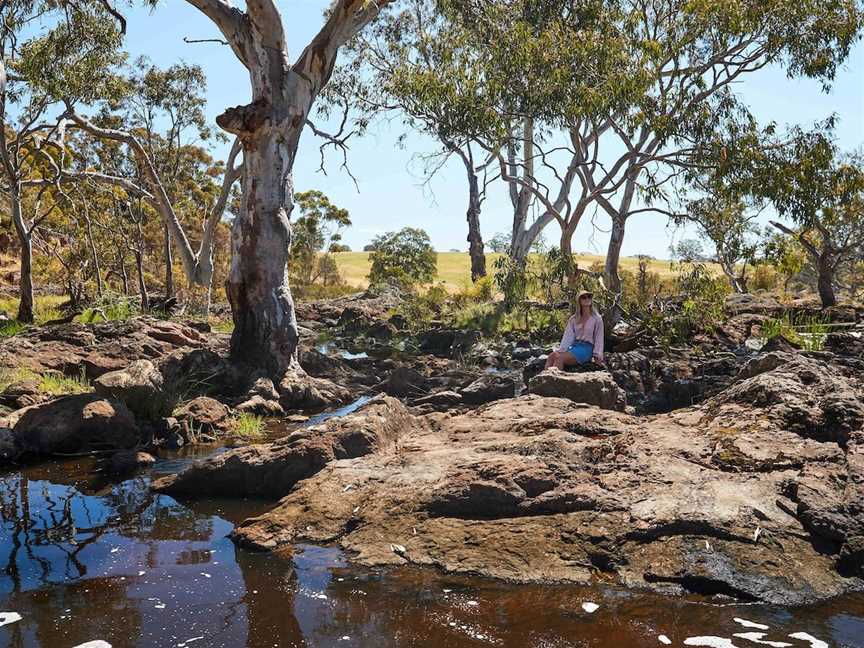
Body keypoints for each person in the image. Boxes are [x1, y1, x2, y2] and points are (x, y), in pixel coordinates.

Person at [545, 290, 605, 370]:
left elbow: (599, 338)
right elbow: (568, 336)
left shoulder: (597, 318)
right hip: (574, 347)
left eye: (589, 296)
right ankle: (545, 379)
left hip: (587, 348)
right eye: (583, 297)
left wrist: (597, 356)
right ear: (579, 301)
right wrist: (562, 350)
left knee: (559, 358)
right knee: (552, 356)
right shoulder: (573, 319)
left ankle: (555, 380)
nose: (587, 299)